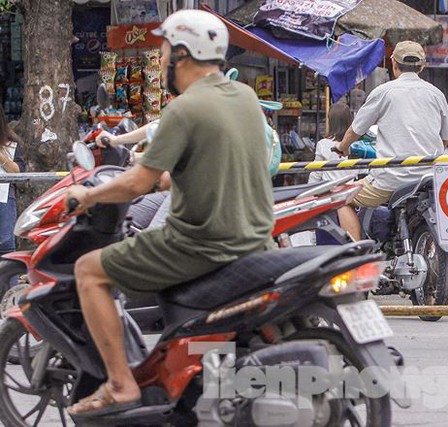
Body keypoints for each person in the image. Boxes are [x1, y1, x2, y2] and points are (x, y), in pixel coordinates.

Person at [65, 9, 274, 417]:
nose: (160, 60)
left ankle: (121, 384)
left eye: (163, 51)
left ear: (183, 54)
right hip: (256, 239)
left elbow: (137, 184)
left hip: (200, 242)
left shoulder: (184, 110)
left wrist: (87, 196)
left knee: (89, 270)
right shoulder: (244, 97)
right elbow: (197, 167)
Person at [333, 40, 448, 240]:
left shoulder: (383, 92)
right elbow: (445, 140)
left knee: (340, 198)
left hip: (390, 181)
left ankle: (358, 254)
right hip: (430, 178)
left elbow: (355, 130)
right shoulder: (436, 94)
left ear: (393, 64)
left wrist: (342, 147)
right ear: (422, 66)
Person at [308, 103, 357, 185]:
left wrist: (308, 193)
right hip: (352, 189)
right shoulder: (357, 144)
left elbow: (316, 173)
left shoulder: (323, 144)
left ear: (330, 121)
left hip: (329, 190)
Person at [0, 108, 25, 256]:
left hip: (4, 197)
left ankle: (8, 278)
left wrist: (2, 158)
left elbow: (18, 172)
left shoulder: (11, 143)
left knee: (6, 244)